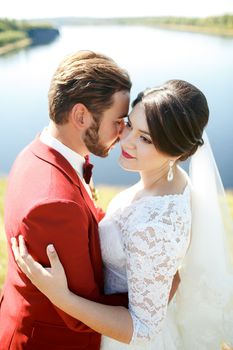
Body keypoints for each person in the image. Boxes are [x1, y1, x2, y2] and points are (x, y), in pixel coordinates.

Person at [12, 79, 233, 349]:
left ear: (177, 151)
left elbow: (144, 329)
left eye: (146, 138)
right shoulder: (171, 182)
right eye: (129, 124)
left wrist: (62, 297)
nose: (126, 140)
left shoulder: (157, 225)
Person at [0, 50, 133, 350]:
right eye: (118, 120)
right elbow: (81, 312)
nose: (124, 131)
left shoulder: (38, 151)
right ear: (81, 115)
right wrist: (156, 291)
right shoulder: (54, 205)